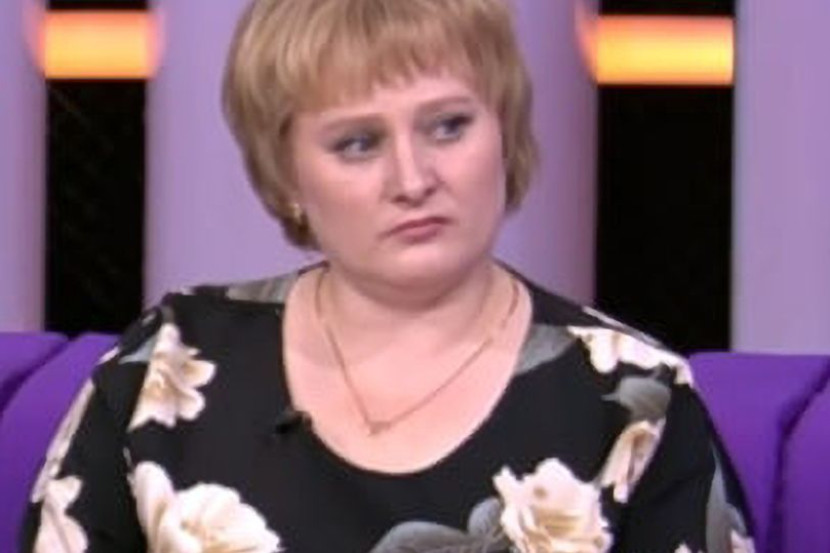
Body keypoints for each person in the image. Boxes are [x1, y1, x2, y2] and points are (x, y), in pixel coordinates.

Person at [20, 0, 755, 551]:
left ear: (504, 130)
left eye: (448, 126)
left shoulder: (631, 399)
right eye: (358, 143)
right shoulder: (166, 367)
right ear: (287, 176)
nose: (413, 178)